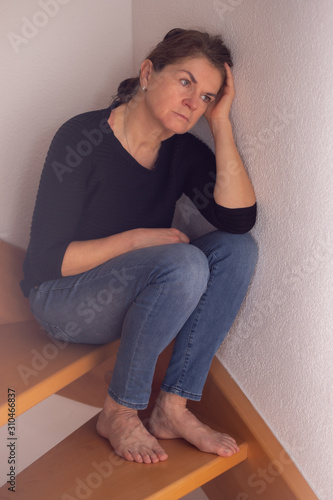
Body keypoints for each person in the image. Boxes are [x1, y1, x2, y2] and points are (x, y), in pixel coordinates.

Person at [21, 28, 258, 465]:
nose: (194, 103)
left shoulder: (182, 152)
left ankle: (171, 409)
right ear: (148, 72)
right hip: (62, 299)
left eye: (207, 96)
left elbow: (238, 220)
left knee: (237, 250)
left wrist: (221, 124)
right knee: (183, 263)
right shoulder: (81, 138)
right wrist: (137, 239)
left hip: (136, 298)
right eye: (186, 82)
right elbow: (47, 261)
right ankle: (120, 410)